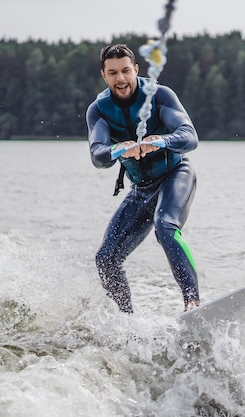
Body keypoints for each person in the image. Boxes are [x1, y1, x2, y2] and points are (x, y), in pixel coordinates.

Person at [86, 44, 200, 313]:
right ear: (104, 75)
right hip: (141, 190)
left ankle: (192, 302)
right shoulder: (99, 110)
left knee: (165, 226)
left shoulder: (159, 95)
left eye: (126, 71)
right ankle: (127, 322)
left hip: (175, 174)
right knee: (106, 259)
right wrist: (120, 148)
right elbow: (97, 155)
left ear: (136, 70)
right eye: (113, 73)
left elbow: (190, 136)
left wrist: (161, 140)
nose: (121, 79)